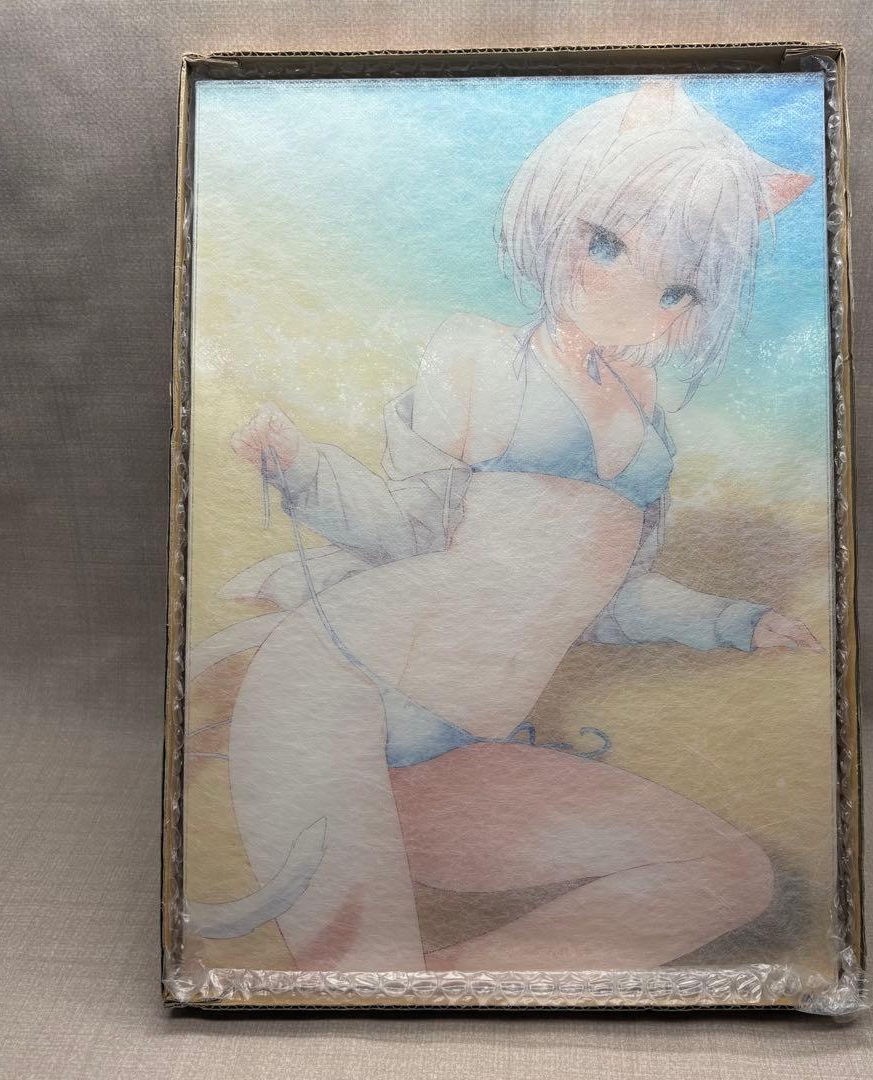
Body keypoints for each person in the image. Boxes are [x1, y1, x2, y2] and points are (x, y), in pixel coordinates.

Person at [186, 80, 822, 972]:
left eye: (679, 287)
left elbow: (604, 597)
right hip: (339, 684)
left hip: (458, 739)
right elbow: (406, 528)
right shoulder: (482, 358)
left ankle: (447, 1004)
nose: (628, 292)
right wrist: (300, 468)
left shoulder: (650, 425)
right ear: (559, 226)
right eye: (605, 243)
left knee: (723, 875)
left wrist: (732, 621)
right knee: (356, 970)